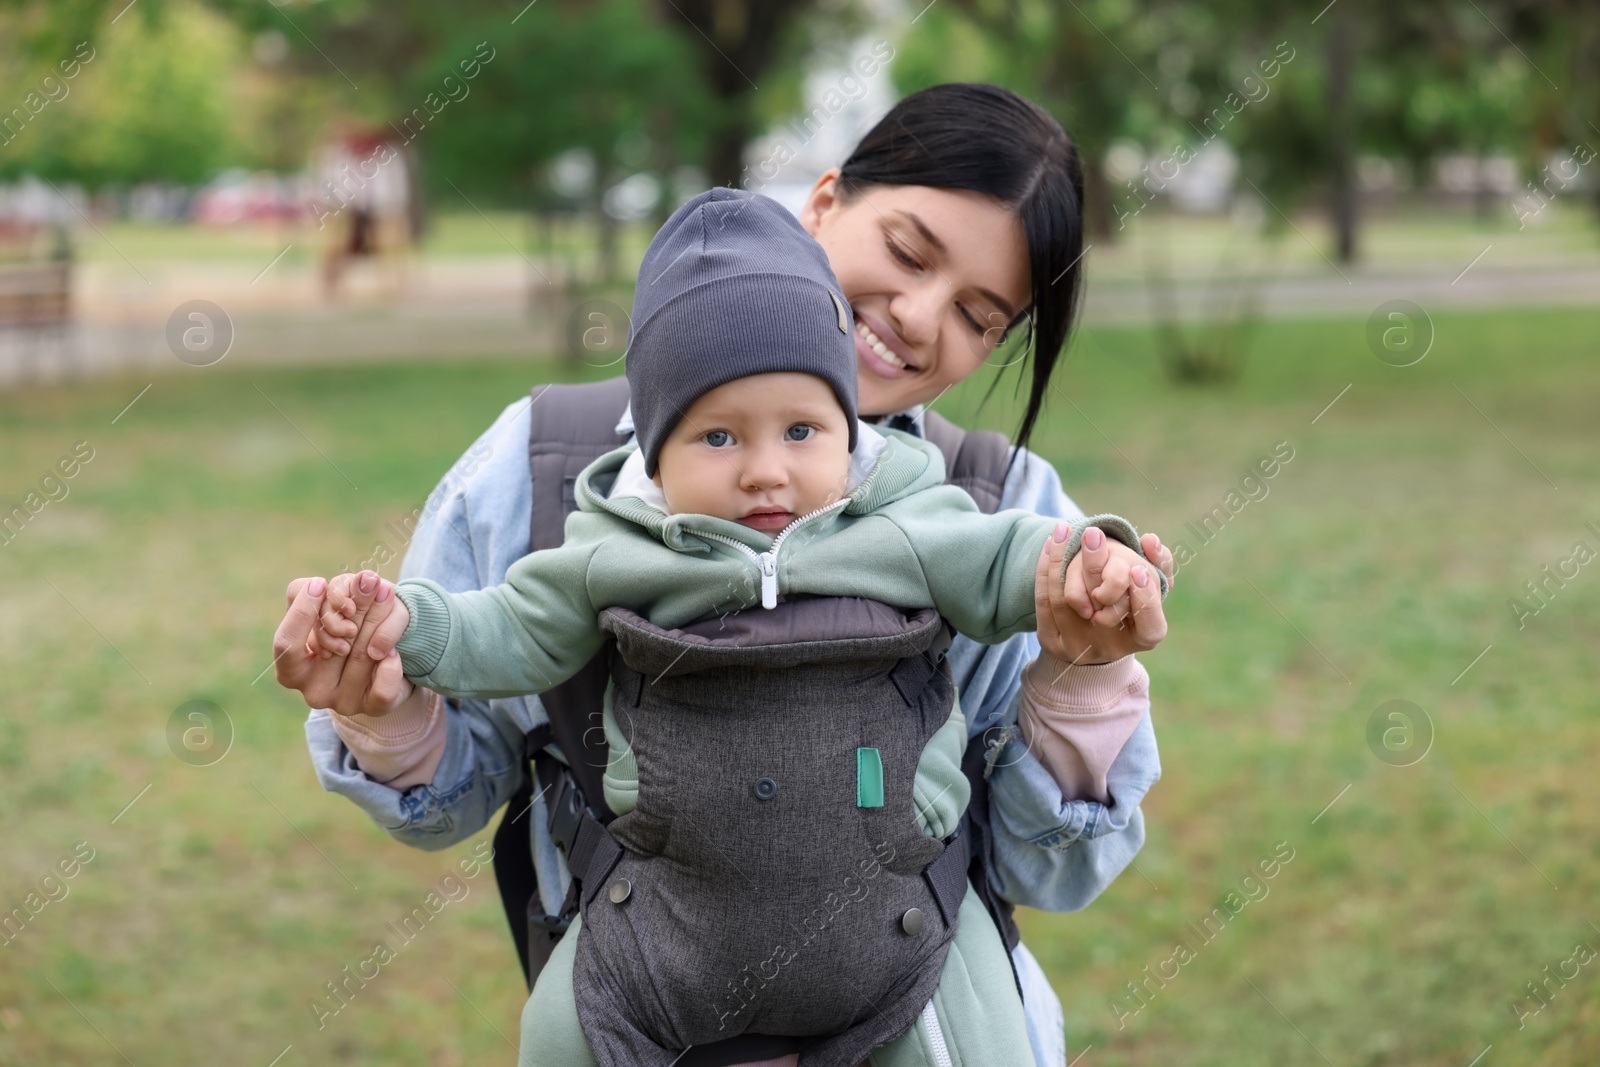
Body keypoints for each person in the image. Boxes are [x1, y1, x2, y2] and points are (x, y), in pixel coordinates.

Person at [275, 83, 1174, 1067]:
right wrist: (383, 707)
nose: (916, 317)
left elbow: (1046, 870)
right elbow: (456, 784)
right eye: (909, 252)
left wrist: (1079, 673)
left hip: (917, 999)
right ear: (823, 202)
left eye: (976, 313)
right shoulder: (544, 466)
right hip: (645, 1004)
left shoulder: (999, 507)